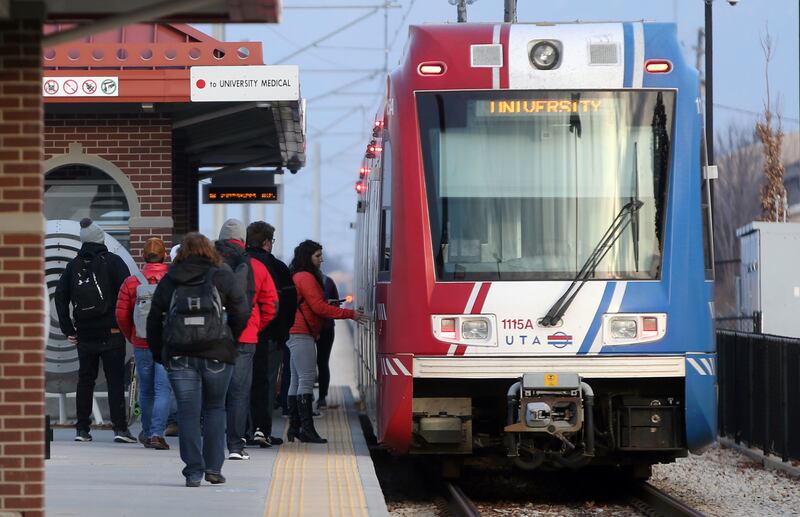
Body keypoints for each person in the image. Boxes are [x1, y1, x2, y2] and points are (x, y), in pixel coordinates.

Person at [146, 232, 249, 487]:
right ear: (209, 250)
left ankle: (193, 471)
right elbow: (241, 309)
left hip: (180, 354)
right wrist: (231, 339)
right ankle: (213, 468)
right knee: (215, 409)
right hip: (217, 352)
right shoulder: (222, 273)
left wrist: (159, 352)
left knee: (187, 412)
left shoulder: (172, 277)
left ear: (182, 252)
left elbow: (154, 316)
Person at [54, 218, 136, 443]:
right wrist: (127, 326)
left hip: (84, 334)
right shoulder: (115, 262)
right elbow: (129, 295)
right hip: (112, 333)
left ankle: (82, 429)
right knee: (115, 380)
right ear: (100, 239)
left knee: (85, 380)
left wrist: (68, 328)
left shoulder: (73, 266)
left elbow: (60, 297)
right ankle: (120, 429)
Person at [287, 240, 367, 443]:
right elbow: (319, 308)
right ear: (308, 257)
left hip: (296, 330)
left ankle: (295, 428)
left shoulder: (297, 275)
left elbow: (314, 304)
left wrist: (328, 304)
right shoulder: (306, 277)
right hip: (301, 331)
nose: (321, 259)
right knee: (305, 378)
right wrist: (350, 314)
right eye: (317, 255)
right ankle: (306, 429)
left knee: (296, 380)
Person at [215, 219, 278, 460]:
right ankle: (235, 445)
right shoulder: (255, 266)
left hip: (212, 336)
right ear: (242, 240)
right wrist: (255, 327)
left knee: (213, 392)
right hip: (245, 338)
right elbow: (271, 304)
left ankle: (210, 442)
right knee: (239, 392)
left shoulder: (207, 262)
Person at [115, 237, 172, 450]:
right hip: (166, 344)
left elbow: (121, 314)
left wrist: (132, 335)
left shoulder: (131, 282)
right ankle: (158, 433)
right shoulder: (173, 279)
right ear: (165, 255)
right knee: (163, 389)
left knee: (146, 390)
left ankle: (147, 433)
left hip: (141, 341)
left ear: (143, 256)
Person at [246, 222, 297, 447]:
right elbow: (288, 303)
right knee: (265, 384)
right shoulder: (278, 267)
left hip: (238, 336)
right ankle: (261, 430)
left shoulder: (236, 263)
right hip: (270, 336)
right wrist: (283, 332)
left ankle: (240, 430)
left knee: (240, 383)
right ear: (267, 242)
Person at [315, 274, 340, 410]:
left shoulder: (328, 281)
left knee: (320, 362)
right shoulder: (328, 281)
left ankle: (319, 396)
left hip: (319, 327)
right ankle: (321, 398)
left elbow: (336, 303)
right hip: (324, 327)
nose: (321, 260)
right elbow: (336, 304)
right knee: (323, 362)